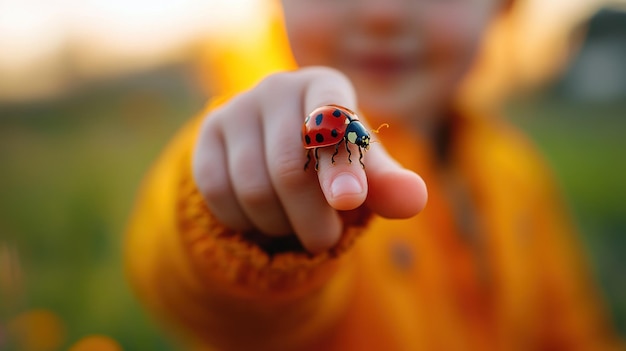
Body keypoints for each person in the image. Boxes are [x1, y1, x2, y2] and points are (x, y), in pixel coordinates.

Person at [125, 0, 622, 350]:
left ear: (503, 6)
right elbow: (192, 289)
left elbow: (572, 334)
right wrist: (235, 207)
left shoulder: (518, 169)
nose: (383, 12)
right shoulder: (271, 129)